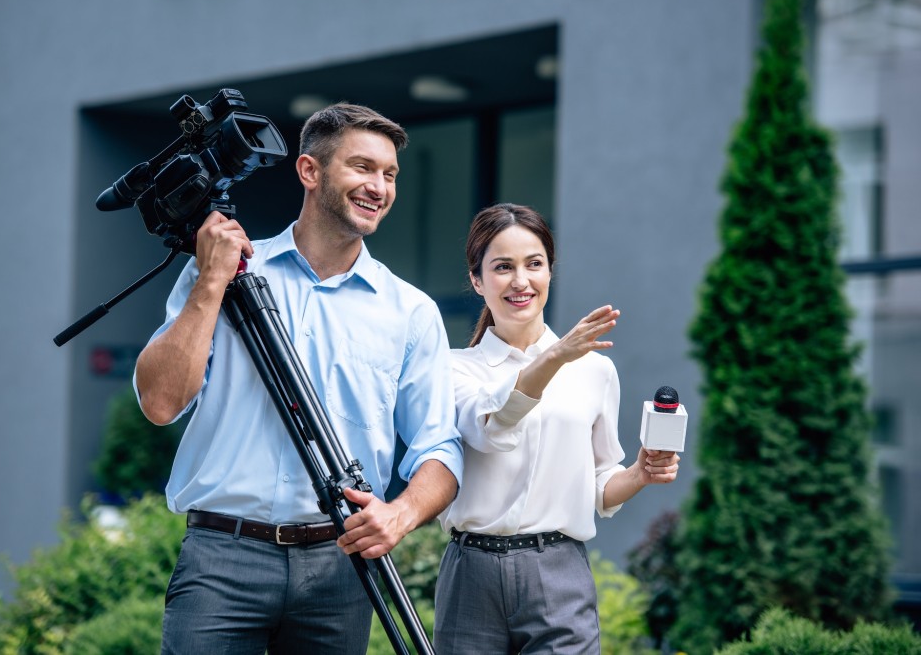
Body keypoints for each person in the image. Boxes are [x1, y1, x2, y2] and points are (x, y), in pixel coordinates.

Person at [134, 103, 463, 655]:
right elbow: (161, 401)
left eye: (389, 174)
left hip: (340, 566)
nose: (378, 186)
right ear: (310, 171)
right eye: (362, 167)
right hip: (222, 557)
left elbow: (440, 446)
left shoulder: (410, 311)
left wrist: (400, 515)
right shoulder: (231, 270)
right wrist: (211, 281)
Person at [433, 203, 680, 654]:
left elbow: (601, 485)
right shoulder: (452, 370)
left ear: (550, 271)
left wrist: (640, 473)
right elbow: (493, 427)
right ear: (476, 280)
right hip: (471, 574)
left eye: (534, 264)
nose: (521, 281)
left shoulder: (595, 371)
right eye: (502, 267)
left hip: (558, 572)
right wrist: (554, 358)